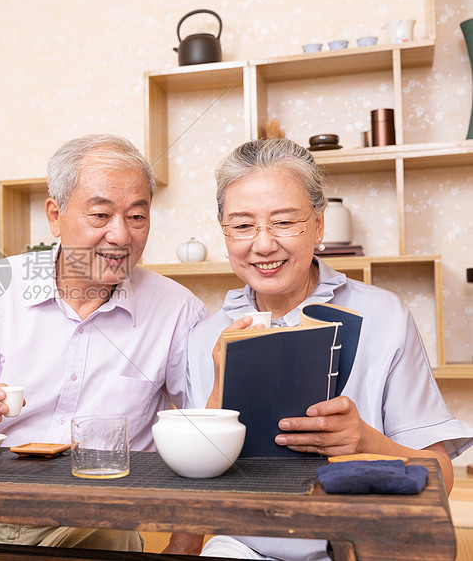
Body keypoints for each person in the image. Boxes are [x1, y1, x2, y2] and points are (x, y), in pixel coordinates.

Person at [0, 134, 207, 550]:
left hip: (93, 519)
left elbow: (204, 433)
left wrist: (183, 546)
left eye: (137, 217)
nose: (120, 235)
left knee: (111, 537)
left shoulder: (177, 310)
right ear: (56, 215)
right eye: (100, 215)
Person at [166, 138, 473, 560]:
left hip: (361, 545)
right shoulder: (206, 337)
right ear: (224, 232)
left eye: (284, 222)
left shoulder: (383, 316)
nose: (263, 244)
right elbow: (199, 484)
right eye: (242, 225)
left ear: (319, 225)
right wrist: (221, 386)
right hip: (241, 546)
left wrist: (363, 440)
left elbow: (441, 476)